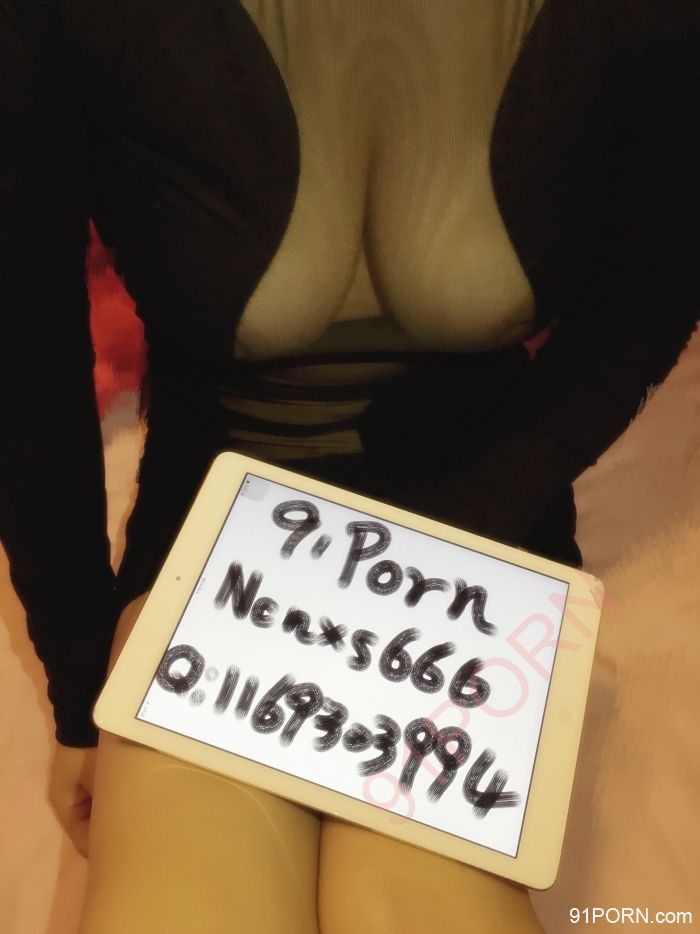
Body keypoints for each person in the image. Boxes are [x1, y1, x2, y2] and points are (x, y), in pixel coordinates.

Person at [1, 0, 697, 931]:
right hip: (217, 528)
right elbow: (26, 359)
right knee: (185, 896)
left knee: (412, 901)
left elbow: (654, 280)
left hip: (483, 519)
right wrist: (82, 678)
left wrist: (466, 528)